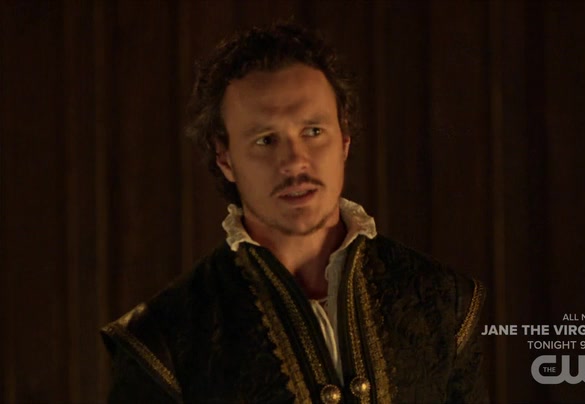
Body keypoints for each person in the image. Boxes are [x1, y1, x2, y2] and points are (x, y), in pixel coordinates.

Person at [101, 23, 488, 404]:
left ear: (344, 139)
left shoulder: (446, 301)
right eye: (266, 140)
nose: (294, 162)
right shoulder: (162, 342)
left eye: (313, 131)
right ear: (225, 157)